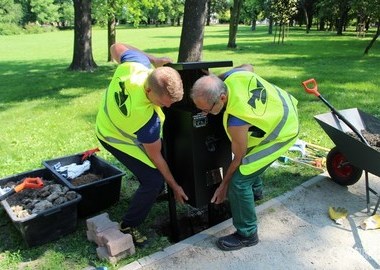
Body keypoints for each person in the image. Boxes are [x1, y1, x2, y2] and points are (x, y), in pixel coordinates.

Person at [190, 64, 299, 251]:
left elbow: (239, 157)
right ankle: (256, 192)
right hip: (281, 107)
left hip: (282, 131)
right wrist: (216, 77)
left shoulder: (237, 120)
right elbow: (249, 66)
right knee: (249, 163)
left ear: (222, 98)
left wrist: (224, 185)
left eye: (207, 110)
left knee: (239, 182)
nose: (205, 114)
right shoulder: (234, 77)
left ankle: (247, 234)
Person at [95, 42, 188, 247]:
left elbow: (115, 47)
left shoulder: (136, 64)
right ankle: (129, 225)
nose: (168, 106)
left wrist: (153, 59)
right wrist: (174, 186)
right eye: (165, 103)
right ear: (148, 90)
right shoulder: (147, 121)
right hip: (114, 137)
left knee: (162, 155)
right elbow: (156, 158)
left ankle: (154, 193)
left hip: (110, 120)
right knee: (153, 179)